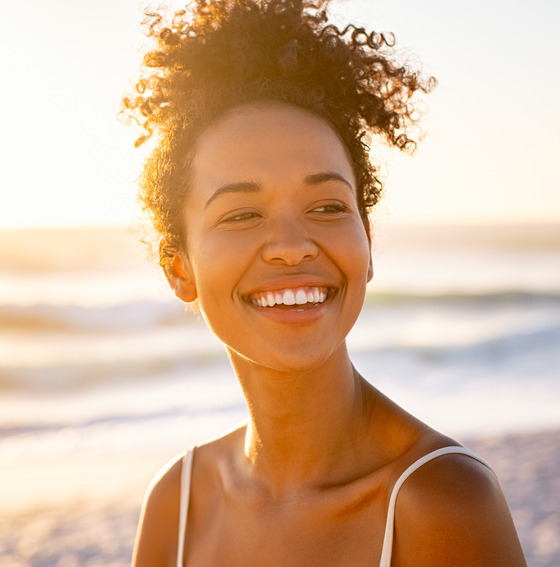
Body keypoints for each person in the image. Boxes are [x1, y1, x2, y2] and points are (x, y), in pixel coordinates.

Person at [123, 1, 527, 565]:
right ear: (179, 268)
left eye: (328, 206)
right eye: (242, 214)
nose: (292, 245)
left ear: (366, 246)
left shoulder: (441, 503)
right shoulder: (179, 502)